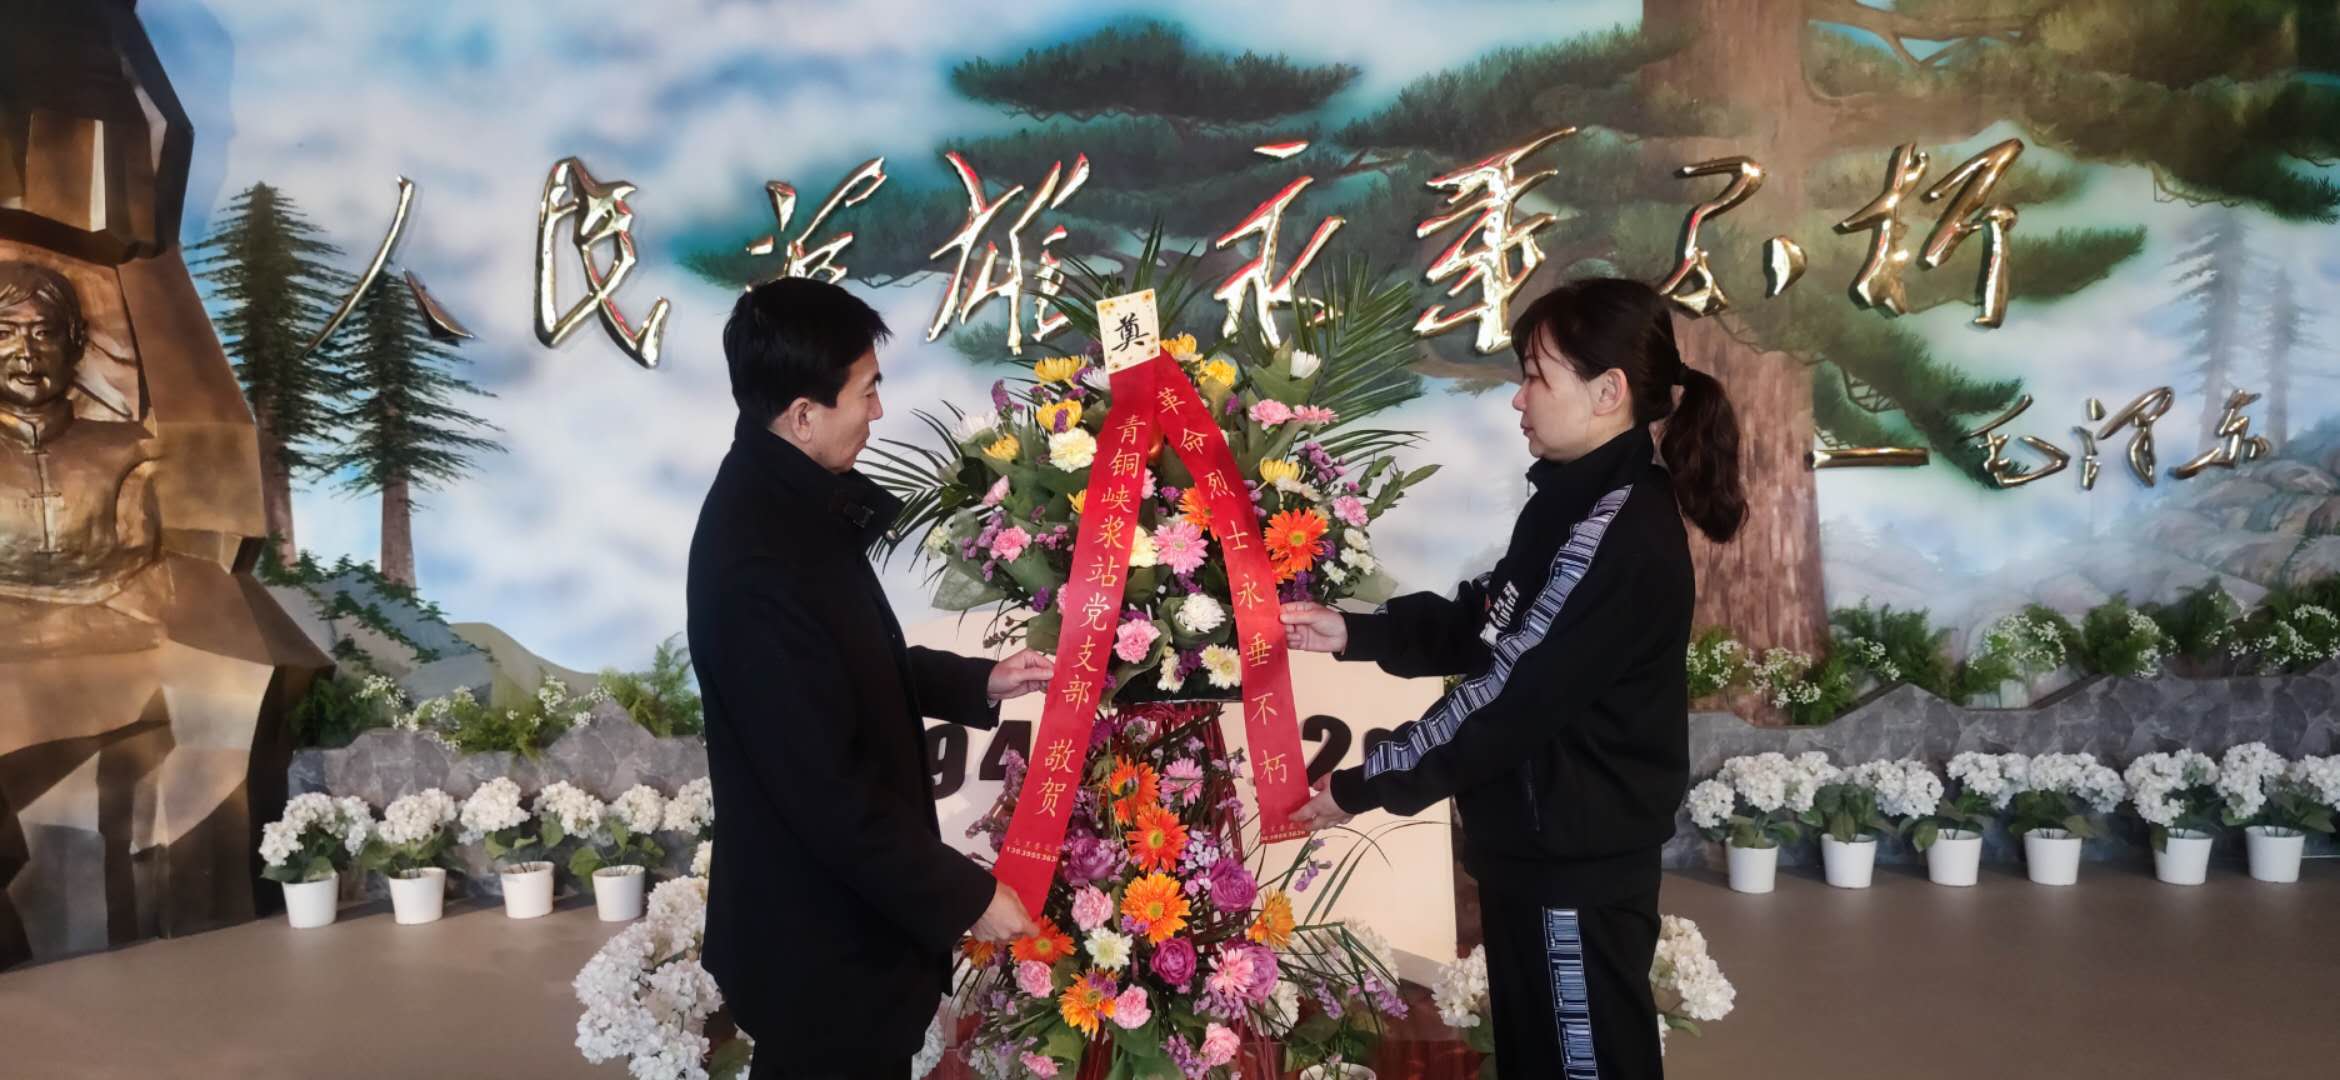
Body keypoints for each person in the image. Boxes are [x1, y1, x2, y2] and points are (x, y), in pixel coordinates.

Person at [1281, 278, 1745, 1079]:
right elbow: (1491, 618)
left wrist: (1364, 782)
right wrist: (1356, 631)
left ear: (1608, 392)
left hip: (1574, 866)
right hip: (1537, 850)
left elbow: (1507, 692)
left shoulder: (1617, 532)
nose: (1518, 400)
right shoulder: (1570, 502)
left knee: (1582, 1064)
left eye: (1536, 377)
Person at [687, 277, 1053, 1079]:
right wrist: (967, 897)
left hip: (839, 928)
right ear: (803, 414)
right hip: (820, 946)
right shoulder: (758, 559)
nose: (878, 411)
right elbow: (823, 789)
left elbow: (843, 663)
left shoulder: (785, 504)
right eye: (867, 390)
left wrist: (980, 682)